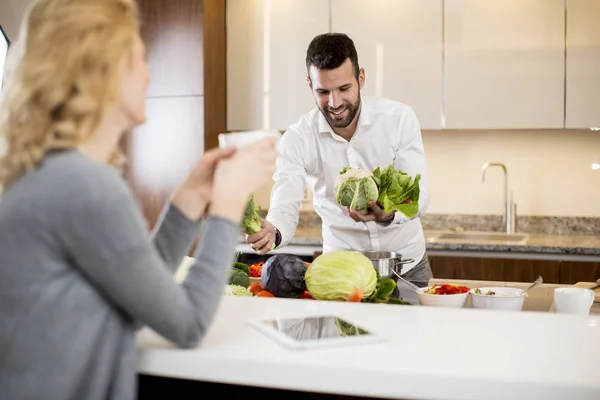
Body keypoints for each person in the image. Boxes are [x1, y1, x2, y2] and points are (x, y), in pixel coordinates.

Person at [0, 0, 277, 399]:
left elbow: (143, 288)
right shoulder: (84, 187)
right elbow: (187, 323)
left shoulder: (54, 175)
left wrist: (187, 201)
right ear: (104, 70)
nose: (149, 74)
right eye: (140, 58)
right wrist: (227, 204)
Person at [246, 32, 432, 295]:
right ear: (309, 84)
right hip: (341, 273)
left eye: (344, 89)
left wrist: (388, 214)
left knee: (414, 336)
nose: (334, 104)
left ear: (361, 78)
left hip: (406, 267)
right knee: (346, 336)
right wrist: (272, 231)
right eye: (323, 91)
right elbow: (285, 205)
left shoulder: (398, 119)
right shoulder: (299, 137)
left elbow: (419, 197)